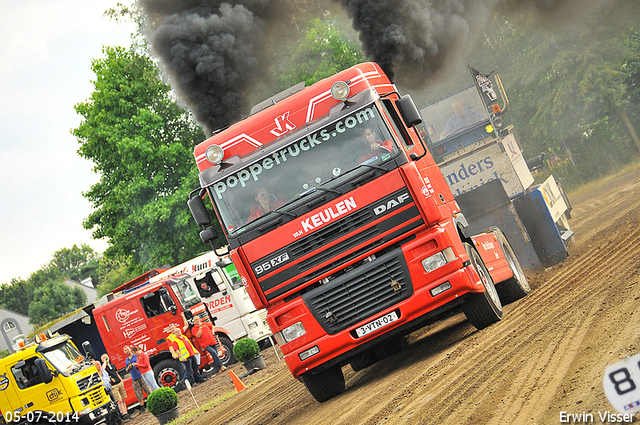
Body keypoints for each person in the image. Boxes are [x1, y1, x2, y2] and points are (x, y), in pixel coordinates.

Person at [167, 324, 207, 388]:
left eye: (179, 331)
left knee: (195, 368)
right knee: (189, 370)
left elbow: (190, 345)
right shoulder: (174, 341)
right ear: (174, 333)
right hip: (186, 357)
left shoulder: (184, 337)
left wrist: (195, 351)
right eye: (177, 332)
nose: (178, 332)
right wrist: (181, 357)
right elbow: (176, 350)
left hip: (191, 354)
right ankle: (192, 382)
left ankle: (200, 379)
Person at [124, 345, 152, 414]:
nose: (127, 351)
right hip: (134, 378)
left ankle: (151, 403)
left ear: (130, 349)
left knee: (147, 389)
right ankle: (142, 407)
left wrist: (137, 365)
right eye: (125, 350)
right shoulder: (126, 360)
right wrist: (128, 368)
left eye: (127, 349)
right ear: (124, 352)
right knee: (138, 393)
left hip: (141, 375)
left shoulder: (136, 355)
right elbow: (126, 369)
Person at [102, 354, 130, 421]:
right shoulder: (104, 368)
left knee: (123, 399)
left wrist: (121, 380)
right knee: (119, 400)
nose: (106, 358)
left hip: (119, 383)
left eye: (106, 357)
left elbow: (116, 373)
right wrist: (105, 362)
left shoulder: (112, 365)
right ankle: (123, 414)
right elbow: (102, 369)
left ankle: (126, 413)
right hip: (113, 386)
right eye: (104, 358)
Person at [94, 360, 121, 425]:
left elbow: (107, 378)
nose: (99, 366)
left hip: (109, 390)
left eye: (99, 364)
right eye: (97, 365)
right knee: (107, 407)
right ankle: (111, 422)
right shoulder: (95, 374)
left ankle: (118, 419)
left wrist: (111, 380)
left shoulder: (104, 371)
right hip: (103, 392)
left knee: (114, 404)